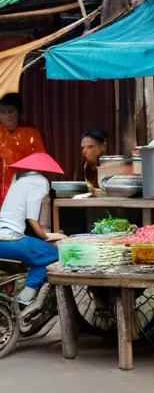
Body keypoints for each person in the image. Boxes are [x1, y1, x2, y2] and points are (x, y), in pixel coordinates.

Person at [0, 153, 66, 308]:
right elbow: (32, 220)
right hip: (12, 240)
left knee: (37, 253)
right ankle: (25, 297)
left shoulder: (17, 179)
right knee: (53, 255)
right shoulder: (40, 182)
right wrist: (46, 237)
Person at [0, 94, 46, 206]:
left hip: (24, 186)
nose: (7, 116)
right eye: (2, 112)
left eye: (11, 111)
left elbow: (41, 160)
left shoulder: (31, 133)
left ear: (19, 113)